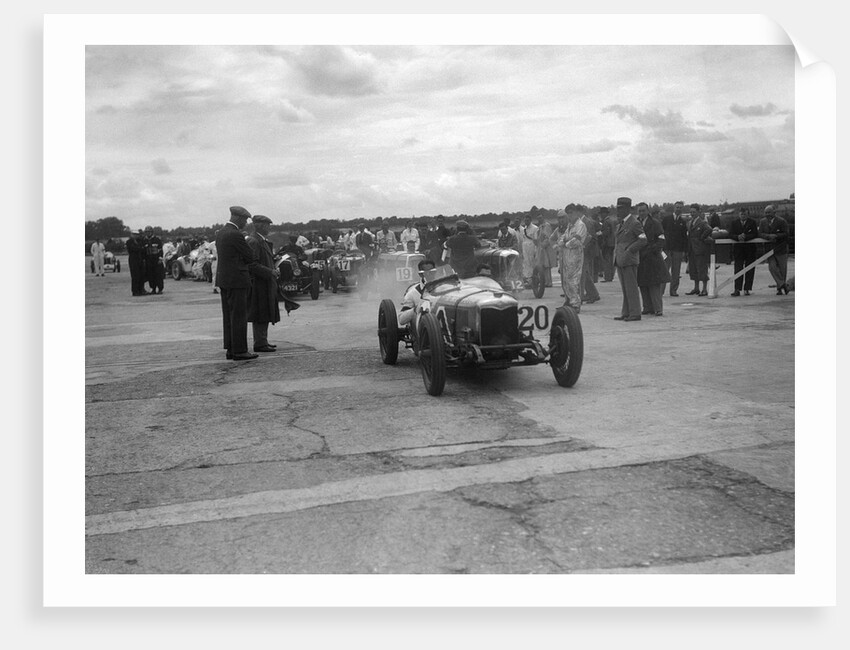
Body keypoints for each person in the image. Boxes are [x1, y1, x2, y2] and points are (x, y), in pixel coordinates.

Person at [215, 206, 261, 361]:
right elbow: (250, 256)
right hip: (237, 280)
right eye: (245, 220)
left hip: (224, 280)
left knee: (228, 316)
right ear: (238, 218)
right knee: (239, 316)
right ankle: (240, 350)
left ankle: (231, 348)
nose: (246, 223)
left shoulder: (221, 232)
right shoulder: (236, 235)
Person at [245, 215, 281, 353]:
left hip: (264, 282)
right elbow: (252, 265)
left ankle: (262, 340)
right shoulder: (254, 241)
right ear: (260, 226)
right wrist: (270, 272)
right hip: (259, 284)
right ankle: (259, 343)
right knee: (260, 313)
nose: (269, 228)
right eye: (267, 225)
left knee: (264, 312)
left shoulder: (260, 240)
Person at [613, 196, 647, 321]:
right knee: (625, 288)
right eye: (617, 208)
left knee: (631, 288)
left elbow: (643, 240)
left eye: (621, 208)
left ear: (628, 209)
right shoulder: (621, 223)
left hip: (629, 260)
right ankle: (626, 312)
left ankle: (635, 313)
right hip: (621, 260)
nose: (618, 211)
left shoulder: (634, 223)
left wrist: (630, 250)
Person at [636, 202, 670, 316]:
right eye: (639, 211)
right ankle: (647, 307)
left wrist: (653, 249)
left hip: (653, 257)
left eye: (643, 210)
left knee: (654, 285)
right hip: (640, 258)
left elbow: (661, 238)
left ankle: (658, 308)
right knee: (643, 284)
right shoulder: (636, 223)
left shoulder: (655, 223)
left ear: (648, 211)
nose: (641, 213)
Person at [556, 207, 587, 312]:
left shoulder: (580, 225)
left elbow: (577, 240)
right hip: (566, 257)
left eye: (571, 213)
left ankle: (575, 304)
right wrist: (563, 242)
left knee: (574, 281)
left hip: (575, 257)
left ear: (576, 213)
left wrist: (566, 243)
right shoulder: (570, 226)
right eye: (568, 213)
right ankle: (568, 301)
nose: (570, 216)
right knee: (566, 281)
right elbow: (561, 239)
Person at [758, 204, 790, 295]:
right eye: (766, 212)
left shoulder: (782, 221)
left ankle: (779, 289)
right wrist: (768, 236)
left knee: (782, 269)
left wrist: (776, 236)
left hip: (781, 249)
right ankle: (783, 285)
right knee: (772, 268)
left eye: (769, 212)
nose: (767, 214)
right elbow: (760, 233)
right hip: (769, 250)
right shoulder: (762, 222)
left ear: (774, 212)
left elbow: (786, 233)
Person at [728, 207, 759, 296]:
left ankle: (747, 289)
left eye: (745, 214)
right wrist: (737, 237)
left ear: (748, 214)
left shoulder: (752, 222)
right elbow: (730, 234)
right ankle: (737, 289)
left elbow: (755, 234)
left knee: (750, 269)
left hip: (750, 249)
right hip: (738, 250)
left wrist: (746, 237)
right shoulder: (734, 223)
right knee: (738, 269)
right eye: (741, 214)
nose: (743, 216)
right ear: (739, 214)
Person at [661, 201, 689, 296]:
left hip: (678, 250)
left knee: (676, 271)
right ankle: (660, 291)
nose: (678, 209)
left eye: (680, 207)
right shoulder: (666, 219)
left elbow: (684, 237)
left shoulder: (683, 222)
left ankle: (673, 290)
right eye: (677, 207)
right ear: (674, 208)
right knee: (664, 270)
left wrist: (685, 251)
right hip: (667, 249)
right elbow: (661, 233)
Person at [685, 205, 714, 296]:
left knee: (702, 269)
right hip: (691, 249)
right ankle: (696, 288)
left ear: (698, 212)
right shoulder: (689, 222)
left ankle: (704, 289)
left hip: (700, 249)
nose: (692, 214)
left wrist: (702, 238)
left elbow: (709, 229)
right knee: (693, 269)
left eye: (694, 212)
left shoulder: (702, 222)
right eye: (691, 212)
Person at [398, 259, 436, 327]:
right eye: (426, 272)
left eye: (432, 272)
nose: (430, 274)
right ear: (420, 274)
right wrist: (416, 309)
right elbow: (401, 319)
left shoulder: (444, 287)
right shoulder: (412, 293)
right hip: (423, 330)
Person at [580, 212, 601, 304]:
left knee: (584, 273)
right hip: (585, 250)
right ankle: (592, 293)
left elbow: (591, 238)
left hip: (587, 251)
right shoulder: (582, 221)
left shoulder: (586, 222)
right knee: (585, 273)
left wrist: (584, 249)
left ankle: (590, 294)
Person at [535, 214, 556, 287]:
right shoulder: (540, 227)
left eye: (540, 218)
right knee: (543, 266)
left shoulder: (547, 226)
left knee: (547, 266)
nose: (539, 220)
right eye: (538, 218)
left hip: (546, 248)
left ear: (543, 218)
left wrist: (543, 245)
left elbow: (548, 237)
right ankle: (545, 281)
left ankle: (549, 282)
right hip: (541, 248)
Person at [143, 227, 165, 294]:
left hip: (156, 260)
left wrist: (160, 259)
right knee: (150, 275)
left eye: (149, 232)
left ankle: (160, 289)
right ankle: (153, 288)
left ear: (152, 232)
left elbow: (160, 250)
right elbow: (143, 251)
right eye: (147, 232)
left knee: (158, 275)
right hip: (149, 260)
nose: (148, 233)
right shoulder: (144, 240)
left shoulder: (157, 240)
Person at [598, 207, 617, 282]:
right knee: (610, 260)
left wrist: (600, 234)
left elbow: (606, 232)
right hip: (611, 243)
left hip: (607, 243)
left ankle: (608, 277)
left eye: (602, 214)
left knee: (607, 261)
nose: (601, 215)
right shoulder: (611, 221)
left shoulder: (606, 222)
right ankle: (610, 276)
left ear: (604, 214)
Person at [126, 229, 148, 296]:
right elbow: (133, 249)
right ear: (131, 235)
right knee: (135, 276)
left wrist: (141, 248)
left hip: (140, 259)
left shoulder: (140, 241)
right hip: (133, 260)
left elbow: (144, 249)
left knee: (141, 275)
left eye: (137, 234)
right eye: (134, 234)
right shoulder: (129, 242)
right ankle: (135, 291)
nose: (136, 236)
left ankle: (141, 289)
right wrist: (141, 248)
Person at [519, 214, 539, 281]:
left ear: (530, 220)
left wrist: (536, 250)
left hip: (532, 246)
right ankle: (527, 276)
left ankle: (533, 277)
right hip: (525, 246)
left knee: (532, 261)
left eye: (527, 220)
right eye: (525, 220)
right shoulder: (524, 228)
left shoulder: (535, 228)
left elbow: (535, 239)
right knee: (526, 262)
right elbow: (523, 238)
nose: (526, 222)